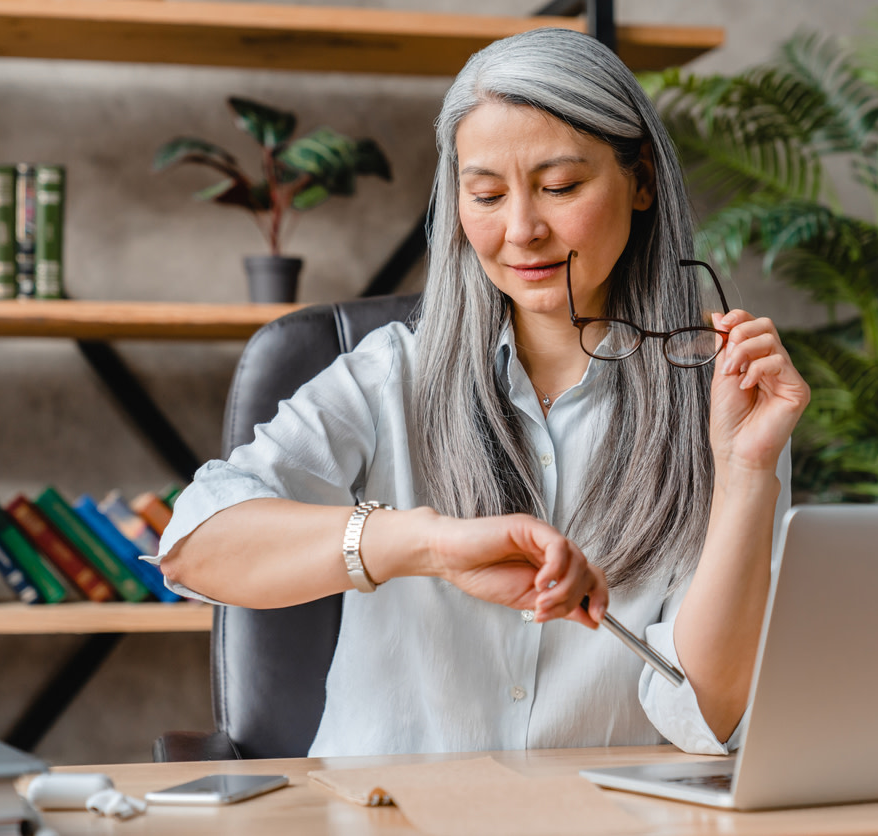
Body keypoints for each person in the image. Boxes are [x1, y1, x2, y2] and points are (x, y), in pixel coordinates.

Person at [151, 27, 810, 758]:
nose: (521, 230)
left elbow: (705, 715)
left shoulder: (723, 405)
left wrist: (746, 473)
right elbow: (192, 548)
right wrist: (423, 544)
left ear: (642, 180)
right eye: (486, 194)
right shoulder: (387, 376)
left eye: (560, 187)